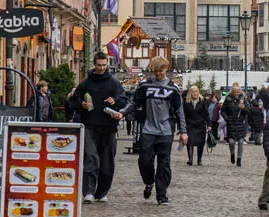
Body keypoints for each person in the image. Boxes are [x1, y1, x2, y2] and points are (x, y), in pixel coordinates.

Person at [121, 56, 188, 206]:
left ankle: (162, 195)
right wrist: (122, 112)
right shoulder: (145, 86)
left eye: (161, 70)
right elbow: (133, 102)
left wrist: (184, 131)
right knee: (145, 160)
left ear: (166, 69)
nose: (158, 73)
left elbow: (179, 111)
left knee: (164, 163)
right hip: (148, 130)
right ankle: (149, 182)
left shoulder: (172, 89)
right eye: (155, 70)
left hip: (165, 131)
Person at [68, 52, 128, 203]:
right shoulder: (86, 83)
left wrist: (114, 101)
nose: (101, 68)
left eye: (104, 65)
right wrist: (81, 104)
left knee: (107, 161)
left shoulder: (114, 82)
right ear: (94, 65)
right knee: (91, 158)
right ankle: (88, 191)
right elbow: (72, 101)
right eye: (99, 65)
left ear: (107, 65)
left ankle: (102, 192)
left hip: (109, 126)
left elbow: (124, 100)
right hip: (90, 125)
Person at [222, 84, 250, 166]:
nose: (236, 93)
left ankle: (239, 159)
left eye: (237, 92)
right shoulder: (228, 99)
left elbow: (248, 110)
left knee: (241, 141)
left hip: (241, 123)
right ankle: (232, 154)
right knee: (231, 142)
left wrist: (243, 108)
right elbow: (223, 110)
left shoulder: (243, 99)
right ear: (232, 92)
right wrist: (227, 119)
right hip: (231, 123)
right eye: (234, 92)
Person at [183, 86, 210, 166]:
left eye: (196, 91)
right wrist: (182, 126)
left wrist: (209, 125)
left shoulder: (203, 101)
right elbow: (184, 115)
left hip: (200, 125)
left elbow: (206, 114)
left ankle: (199, 160)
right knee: (190, 142)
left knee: (200, 143)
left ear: (199, 92)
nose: (195, 93)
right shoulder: (186, 102)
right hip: (190, 125)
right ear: (190, 93)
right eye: (193, 91)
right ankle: (190, 159)